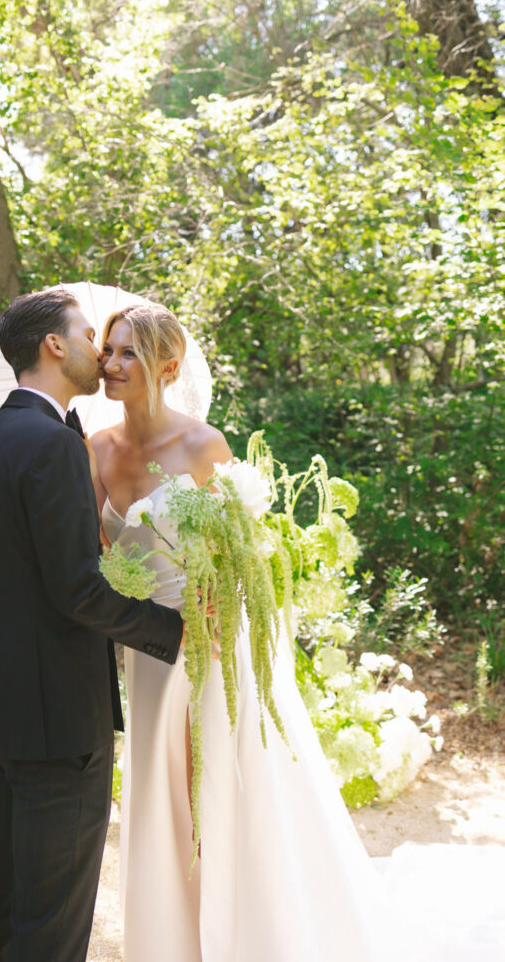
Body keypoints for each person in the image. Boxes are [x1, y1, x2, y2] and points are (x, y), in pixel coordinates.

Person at [91, 303, 505, 962]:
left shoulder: (203, 446)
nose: (110, 365)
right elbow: (90, 558)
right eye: (108, 350)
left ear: (168, 367)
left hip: (212, 643)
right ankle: (168, 943)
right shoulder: (94, 450)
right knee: (158, 795)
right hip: (143, 651)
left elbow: (239, 553)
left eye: (127, 354)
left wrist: (211, 594)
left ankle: (251, 933)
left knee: (224, 787)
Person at [0, 289, 183, 962]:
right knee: (51, 922)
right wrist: (173, 634)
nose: (97, 349)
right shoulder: (53, 445)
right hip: (59, 724)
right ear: (54, 345)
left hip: (0, 714)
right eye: (87, 335)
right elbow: (78, 589)